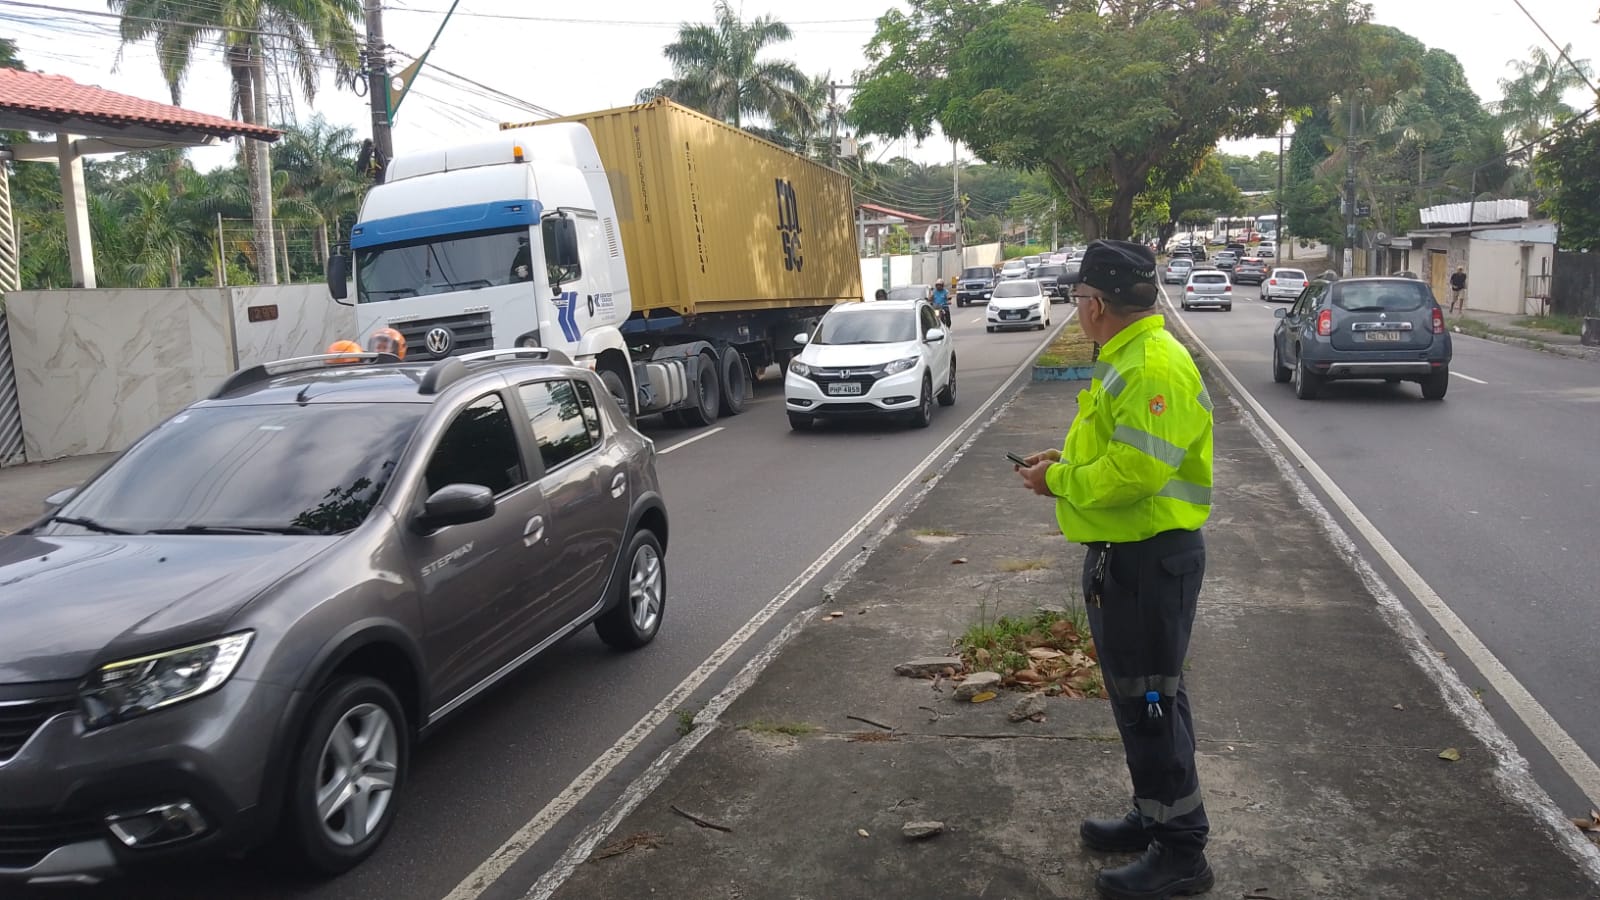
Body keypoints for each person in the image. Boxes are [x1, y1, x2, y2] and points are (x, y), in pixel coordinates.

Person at [1015, 239, 1216, 900]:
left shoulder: (1153, 364)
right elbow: (1118, 448)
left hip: (1148, 563)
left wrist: (1058, 481)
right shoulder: (1128, 357)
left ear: (1096, 305)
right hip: (1130, 562)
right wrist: (1060, 458)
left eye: (1077, 301)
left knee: (1152, 704)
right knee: (1147, 699)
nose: (1076, 313)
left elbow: (1134, 474)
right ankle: (1155, 815)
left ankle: (1181, 854)